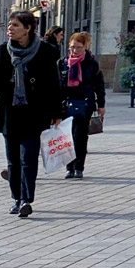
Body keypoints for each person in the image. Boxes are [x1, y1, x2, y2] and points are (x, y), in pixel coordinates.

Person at [0, 11, 63, 219]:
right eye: (10, 25)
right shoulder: (2, 52)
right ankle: (16, 198)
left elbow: (54, 84)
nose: (10, 28)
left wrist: (56, 112)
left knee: (28, 157)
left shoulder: (45, 52)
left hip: (34, 113)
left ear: (27, 29)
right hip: (9, 112)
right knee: (13, 160)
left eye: (15, 25)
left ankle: (27, 199)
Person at [59, 31, 105, 179]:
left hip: (85, 104)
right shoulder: (62, 63)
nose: (75, 50)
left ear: (85, 47)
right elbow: (56, 85)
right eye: (72, 47)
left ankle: (79, 167)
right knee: (67, 138)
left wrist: (101, 104)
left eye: (78, 47)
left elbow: (99, 86)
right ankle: (69, 167)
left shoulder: (91, 64)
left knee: (80, 137)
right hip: (65, 105)